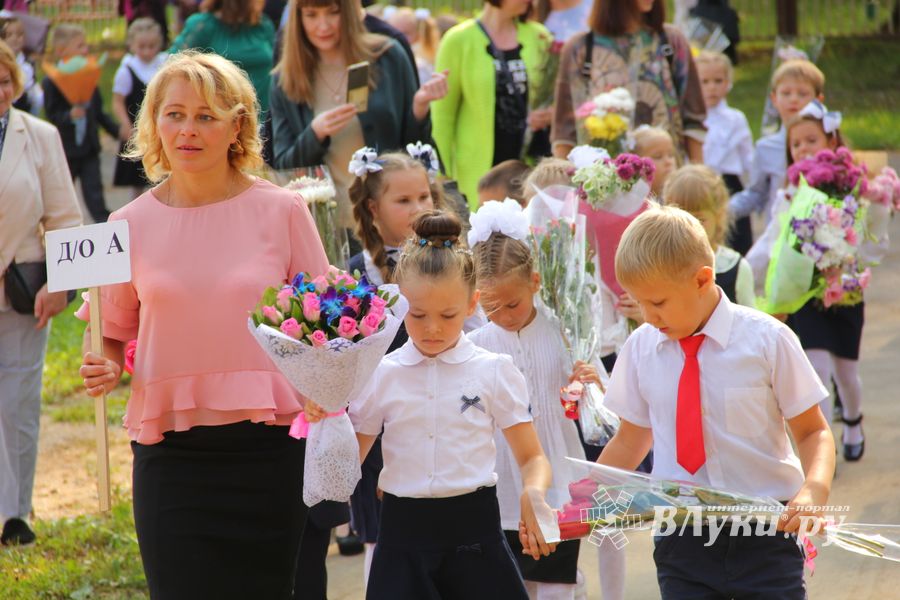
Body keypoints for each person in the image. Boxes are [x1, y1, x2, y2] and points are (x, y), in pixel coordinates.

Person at [77, 51, 329, 598]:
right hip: (171, 456)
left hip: (271, 450)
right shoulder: (124, 225)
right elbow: (111, 331)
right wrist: (105, 363)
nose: (187, 130)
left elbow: (326, 329)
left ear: (237, 125)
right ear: (154, 122)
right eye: (174, 114)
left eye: (206, 116)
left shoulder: (284, 211)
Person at [598, 205, 835, 599]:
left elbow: (813, 431)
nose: (648, 316)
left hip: (767, 533)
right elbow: (630, 439)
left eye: (657, 302)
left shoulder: (767, 340)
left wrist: (814, 489)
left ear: (702, 279)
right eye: (639, 303)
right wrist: (578, 501)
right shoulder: (641, 347)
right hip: (681, 535)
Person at [350, 210, 556, 598]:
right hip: (401, 539)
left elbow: (532, 457)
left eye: (447, 315)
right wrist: (324, 416)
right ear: (397, 303)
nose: (432, 328)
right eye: (417, 314)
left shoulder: (493, 369)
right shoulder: (381, 373)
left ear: (472, 304)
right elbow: (347, 464)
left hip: (475, 537)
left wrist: (534, 492)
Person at [468, 200, 619, 600]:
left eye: (512, 303)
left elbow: (605, 404)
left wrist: (589, 384)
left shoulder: (565, 331)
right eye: (490, 306)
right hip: (497, 475)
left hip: (556, 471)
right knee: (506, 582)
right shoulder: (474, 345)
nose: (503, 315)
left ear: (535, 282)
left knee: (557, 581)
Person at [270, 0, 445, 247]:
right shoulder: (284, 79)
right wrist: (315, 134)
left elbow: (416, 149)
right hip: (334, 228)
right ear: (298, 20)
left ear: (350, 13)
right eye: (311, 15)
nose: (323, 25)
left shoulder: (388, 55)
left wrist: (419, 108)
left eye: (333, 12)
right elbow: (286, 166)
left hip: (395, 225)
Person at [747, 102, 866, 462]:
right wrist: (744, 267)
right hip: (804, 294)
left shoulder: (851, 186)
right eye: (795, 145)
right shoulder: (789, 192)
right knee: (817, 368)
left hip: (844, 293)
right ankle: (823, 450)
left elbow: (869, 236)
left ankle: (854, 420)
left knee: (846, 373)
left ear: (832, 138)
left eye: (811, 140)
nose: (803, 149)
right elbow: (775, 239)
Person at [0, 39, 82, 547]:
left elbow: (67, 218)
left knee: (18, 404)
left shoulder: (42, 136)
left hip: (24, 291)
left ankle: (15, 514)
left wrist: (60, 284)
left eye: (4, 80)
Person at [431, 0, 551, 209]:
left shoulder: (540, 37)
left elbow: (552, 96)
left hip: (528, 165)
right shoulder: (458, 40)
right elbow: (442, 116)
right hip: (478, 172)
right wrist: (441, 175)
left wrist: (548, 113)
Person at [552, 0, 706, 162]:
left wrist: (697, 176)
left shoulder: (670, 41)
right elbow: (565, 129)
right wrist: (565, 180)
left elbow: (693, 119)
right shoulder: (581, 47)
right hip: (604, 177)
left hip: (667, 174)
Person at [729, 59, 825, 226]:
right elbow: (756, 193)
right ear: (774, 98)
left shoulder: (826, 143)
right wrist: (721, 211)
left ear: (818, 99)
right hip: (778, 236)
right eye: (786, 93)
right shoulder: (765, 148)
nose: (794, 99)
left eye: (802, 94)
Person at [42, 23, 119, 224]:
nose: (85, 50)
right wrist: (69, 115)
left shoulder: (89, 75)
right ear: (61, 51)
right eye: (80, 46)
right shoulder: (52, 81)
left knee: (95, 195)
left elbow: (99, 113)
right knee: (62, 198)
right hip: (65, 150)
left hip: (89, 149)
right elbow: (51, 114)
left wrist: (118, 132)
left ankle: (106, 229)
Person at [663, 165, 754, 307]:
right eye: (681, 218)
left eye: (699, 219)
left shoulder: (735, 269)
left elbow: (750, 322)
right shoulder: (661, 266)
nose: (689, 227)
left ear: (718, 215)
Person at [170, 0, 275, 121]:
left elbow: (277, 69)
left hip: (263, 119)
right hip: (218, 120)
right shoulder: (203, 25)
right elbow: (173, 69)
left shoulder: (263, 25)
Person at [696, 50, 754, 255]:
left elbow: (748, 156)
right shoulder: (691, 117)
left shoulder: (736, 118)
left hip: (729, 186)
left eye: (718, 81)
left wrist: (754, 188)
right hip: (700, 185)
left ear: (728, 82)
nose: (712, 87)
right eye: (704, 81)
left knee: (736, 239)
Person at [112, 17, 167, 198]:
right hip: (138, 129)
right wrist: (126, 123)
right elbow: (118, 100)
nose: (147, 51)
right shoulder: (127, 69)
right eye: (142, 47)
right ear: (132, 45)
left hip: (161, 127)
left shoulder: (164, 64)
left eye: (152, 46)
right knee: (137, 177)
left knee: (162, 173)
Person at [385, 6, 440, 83]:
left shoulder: (421, 66)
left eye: (405, 34)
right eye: (393, 33)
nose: (397, 39)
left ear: (418, 34)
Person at [0, 14, 41, 114]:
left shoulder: (27, 64)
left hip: (22, 107)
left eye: (19, 35)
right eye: (9, 35)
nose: (15, 39)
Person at [633, 125, 677, 200]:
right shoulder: (635, 202)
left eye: (670, 155)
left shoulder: (679, 196)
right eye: (658, 156)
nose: (668, 161)